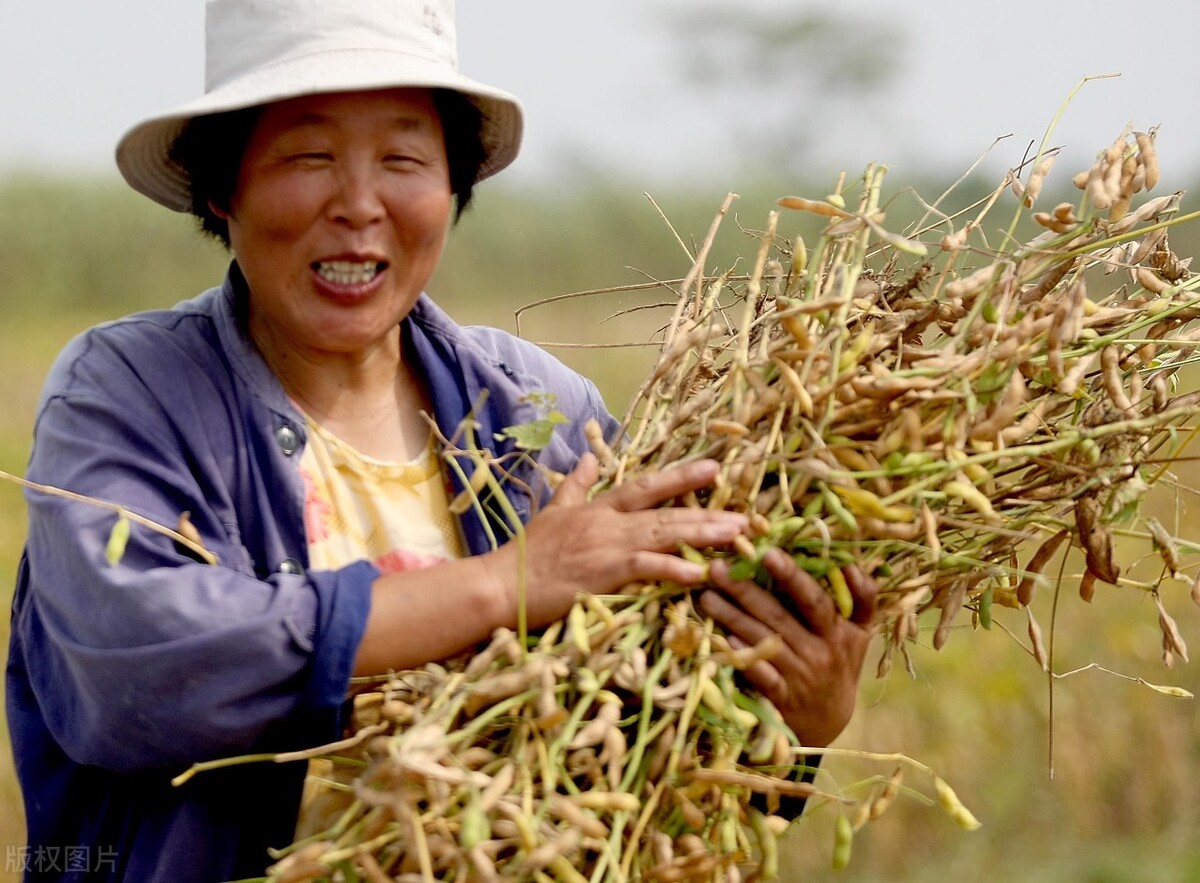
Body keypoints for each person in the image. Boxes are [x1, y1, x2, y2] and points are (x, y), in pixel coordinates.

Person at [5, 1, 879, 880]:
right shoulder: (130, 394)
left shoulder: (544, 419)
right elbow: (134, 668)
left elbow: (654, 765)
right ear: (222, 185)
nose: (358, 204)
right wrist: (510, 582)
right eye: (309, 156)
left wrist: (798, 726)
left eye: (403, 159)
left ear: (452, 184)